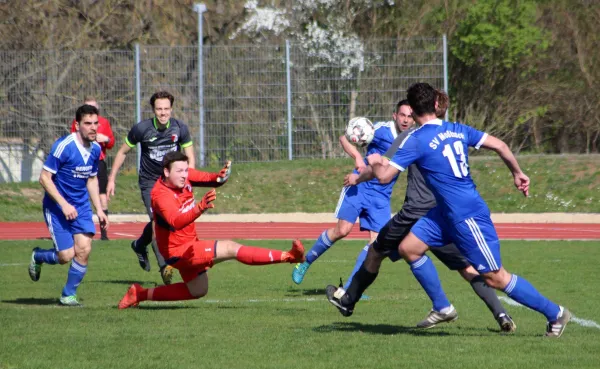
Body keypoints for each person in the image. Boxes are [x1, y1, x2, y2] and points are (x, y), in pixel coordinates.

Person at [327, 83, 570, 338]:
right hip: (442, 213)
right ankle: (444, 307)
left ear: (412, 109)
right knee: (409, 248)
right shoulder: (457, 128)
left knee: (496, 277)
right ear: (434, 105)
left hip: (467, 215)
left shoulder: (415, 139)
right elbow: (500, 145)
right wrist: (518, 173)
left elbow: (385, 177)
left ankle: (555, 313)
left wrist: (375, 164)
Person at [118, 151, 305, 309]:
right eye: (179, 171)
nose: (185, 175)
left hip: (190, 244)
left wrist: (220, 176)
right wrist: (199, 208)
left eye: (186, 169)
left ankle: (139, 294)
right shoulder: (160, 195)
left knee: (198, 290)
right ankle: (289, 256)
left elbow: (210, 179)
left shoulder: (183, 177)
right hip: (179, 252)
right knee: (231, 248)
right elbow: (175, 221)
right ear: (166, 171)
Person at [291, 100, 414, 291]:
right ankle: (305, 262)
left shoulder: (413, 139)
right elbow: (344, 138)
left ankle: (349, 290)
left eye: (410, 116)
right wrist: (358, 158)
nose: (406, 120)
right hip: (359, 186)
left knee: (376, 245)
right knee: (342, 230)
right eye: (403, 115)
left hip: (381, 197)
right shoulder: (380, 130)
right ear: (395, 116)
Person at [106, 91, 196, 285]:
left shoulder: (180, 128)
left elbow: (189, 154)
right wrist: (112, 178)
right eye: (159, 109)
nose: (163, 113)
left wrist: (190, 179)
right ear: (153, 110)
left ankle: (139, 245)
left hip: (171, 183)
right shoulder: (142, 129)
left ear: (171, 109)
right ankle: (165, 267)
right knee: (158, 222)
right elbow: (122, 152)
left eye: (166, 109)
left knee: (170, 222)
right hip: (150, 184)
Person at [28, 104, 109, 306]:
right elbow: (44, 178)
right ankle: (38, 256)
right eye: (87, 123)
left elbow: (91, 180)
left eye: (95, 123)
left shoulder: (96, 149)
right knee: (66, 255)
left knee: (84, 249)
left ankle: (68, 294)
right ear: (77, 125)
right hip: (56, 207)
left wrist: (99, 209)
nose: (93, 128)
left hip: (80, 206)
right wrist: (64, 204)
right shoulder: (63, 146)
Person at [70, 96, 115, 240]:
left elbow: (111, 142)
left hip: (98, 161)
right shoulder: (77, 125)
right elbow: (74, 137)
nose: (92, 126)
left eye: (94, 108)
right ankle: (73, 229)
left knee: (102, 195)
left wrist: (106, 139)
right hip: (80, 162)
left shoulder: (104, 123)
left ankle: (104, 233)